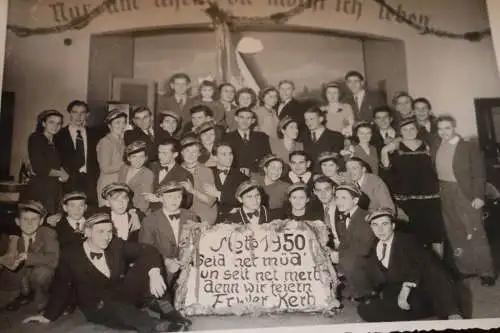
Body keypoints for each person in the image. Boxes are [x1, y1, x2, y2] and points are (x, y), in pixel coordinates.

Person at [23, 212, 190, 332]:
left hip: (122, 294)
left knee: (149, 269)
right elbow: (61, 287)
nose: (106, 237)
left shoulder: (116, 244)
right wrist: (48, 316)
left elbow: (148, 250)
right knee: (119, 311)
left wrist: (154, 273)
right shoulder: (70, 255)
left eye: (109, 231)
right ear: (87, 232)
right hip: (98, 305)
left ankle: (169, 312)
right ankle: (156, 326)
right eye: (100, 232)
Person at [357, 208, 463, 322]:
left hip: (420, 290)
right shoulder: (374, 246)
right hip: (396, 293)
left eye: (385, 224)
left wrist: (406, 287)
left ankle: (448, 310)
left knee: (432, 265)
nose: (380, 229)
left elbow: (428, 267)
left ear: (393, 226)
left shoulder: (408, 241)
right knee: (365, 309)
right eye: (375, 225)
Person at [431, 115, 496, 285]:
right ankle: (466, 269)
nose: (444, 132)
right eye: (440, 129)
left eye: (447, 128)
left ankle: (486, 272)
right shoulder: (437, 145)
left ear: (454, 127)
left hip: (464, 191)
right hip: (445, 190)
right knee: (455, 231)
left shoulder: (468, 147)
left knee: (475, 232)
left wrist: (478, 196)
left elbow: (479, 173)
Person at [381, 117, 444, 256]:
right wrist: (385, 150)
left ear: (417, 130)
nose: (409, 132)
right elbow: (386, 169)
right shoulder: (395, 146)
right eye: (405, 129)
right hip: (407, 199)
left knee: (435, 234)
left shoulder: (427, 145)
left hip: (430, 197)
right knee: (412, 236)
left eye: (412, 128)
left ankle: (440, 270)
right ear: (400, 132)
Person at [139, 182, 200, 293]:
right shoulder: (149, 221)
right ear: (161, 198)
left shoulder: (191, 216)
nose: (175, 200)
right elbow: (146, 251)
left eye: (178, 196)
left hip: (188, 268)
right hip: (162, 269)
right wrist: (166, 261)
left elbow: (196, 244)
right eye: (170, 197)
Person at [3, 201, 59, 312]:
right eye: (25, 219)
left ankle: (42, 299)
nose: (29, 223)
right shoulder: (11, 237)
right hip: (21, 276)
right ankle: (23, 295)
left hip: (39, 273)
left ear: (41, 221)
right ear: (17, 221)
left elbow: (54, 259)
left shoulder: (48, 233)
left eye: (34, 219)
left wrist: (27, 257)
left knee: (42, 273)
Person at [329, 183, 373, 300]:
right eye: (337, 197)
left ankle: (364, 291)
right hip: (352, 260)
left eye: (344, 198)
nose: (339, 201)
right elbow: (345, 245)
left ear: (355, 200)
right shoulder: (342, 219)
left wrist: (340, 257)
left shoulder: (366, 217)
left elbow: (364, 249)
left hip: (368, 261)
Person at [54, 100, 99, 208]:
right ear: (69, 113)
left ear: (87, 115)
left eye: (82, 113)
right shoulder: (58, 135)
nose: (79, 116)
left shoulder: (95, 134)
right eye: (75, 112)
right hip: (68, 182)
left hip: (90, 182)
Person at [24, 109, 68, 214]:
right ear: (43, 123)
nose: (55, 126)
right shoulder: (36, 138)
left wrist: (63, 172)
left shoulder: (57, 141)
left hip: (55, 188)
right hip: (41, 188)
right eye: (51, 122)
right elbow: (39, 167)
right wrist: (61, 173)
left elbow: (59, 163)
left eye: (59, 123)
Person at [204, 143, 249, 222]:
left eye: (230, 153)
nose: (229, 157)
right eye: (224, 154)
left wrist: (218, 194)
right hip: (209, 219)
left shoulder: (242, 177)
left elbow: (243, 199)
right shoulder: (206, 172)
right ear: (215, 158)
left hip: (233, 220)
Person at [147, 138, 194, 212]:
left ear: (175, 154)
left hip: (170, 216)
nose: (160, 156)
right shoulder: (152, 166)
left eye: (164, 153)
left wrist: (160, 199)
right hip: (150, 214)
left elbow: (186, 203)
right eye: (159, 152)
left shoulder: (184, 174)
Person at [179, 136, 218, 225]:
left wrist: (192, 190)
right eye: (187, 151)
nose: (190, 155)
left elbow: (210, 201)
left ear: (199, 154)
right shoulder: (178, 170)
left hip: (204, 213)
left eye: (194, 151)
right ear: (182, 153)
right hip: (183, 213)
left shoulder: (206, 171)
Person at [225, 107, 272, 175]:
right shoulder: (227, 138)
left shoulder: (262, 137)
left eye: (248, 118)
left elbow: (267, 159)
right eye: (242, 117)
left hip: (257, 175)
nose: (245, 121)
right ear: (236, 118)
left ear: (253, 121)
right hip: (235, 176)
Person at [96, 109, 127, 207]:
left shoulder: (121, 141)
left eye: (123, 123)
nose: (121, 126)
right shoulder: (106, 142)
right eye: (117, 123)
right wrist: (127, 163)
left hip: (119, 184)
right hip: (108, 185)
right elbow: (105, 168)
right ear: (110, 125)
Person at [118, 140, 154, 214]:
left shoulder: (147, 173)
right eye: (134, 156)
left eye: (141, 156)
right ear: (128, 158)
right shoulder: (124, 168)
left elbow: (145, 202)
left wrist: (135, 214)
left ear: (146, 158)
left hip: (139, 212)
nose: (138, 160)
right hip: (122, 208)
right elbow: (118, 190)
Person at [254, 154, 289, 219]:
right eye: (273, 167)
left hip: (274, 221)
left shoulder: (285, 187)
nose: (276, 171)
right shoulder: (254, 181)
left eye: (280, 168)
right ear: (265, 169)